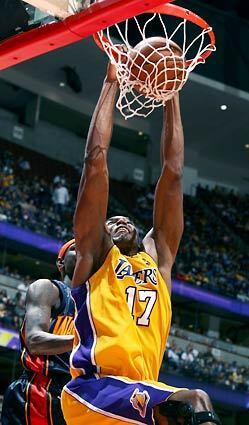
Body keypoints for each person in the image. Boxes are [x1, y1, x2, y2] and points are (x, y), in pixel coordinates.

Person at [61, 64, 221, 425]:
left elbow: (173, 172)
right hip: (94, 389)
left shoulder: (158, 260)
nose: (118, 219)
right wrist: (110, 83)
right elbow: (95, 163)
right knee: (194, 401)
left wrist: (172, 94)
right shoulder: (96, 259)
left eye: (124, 218)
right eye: (109, 221)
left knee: (181, 406)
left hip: (138, 393)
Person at [1, 239, 76, 425]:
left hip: (76, 396)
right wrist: (85, 340)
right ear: (61, 263)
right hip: (39, 390)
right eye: (76, 248)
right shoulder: (48, 289)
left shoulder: (97, 304)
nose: (84, 249)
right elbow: (35, 341)